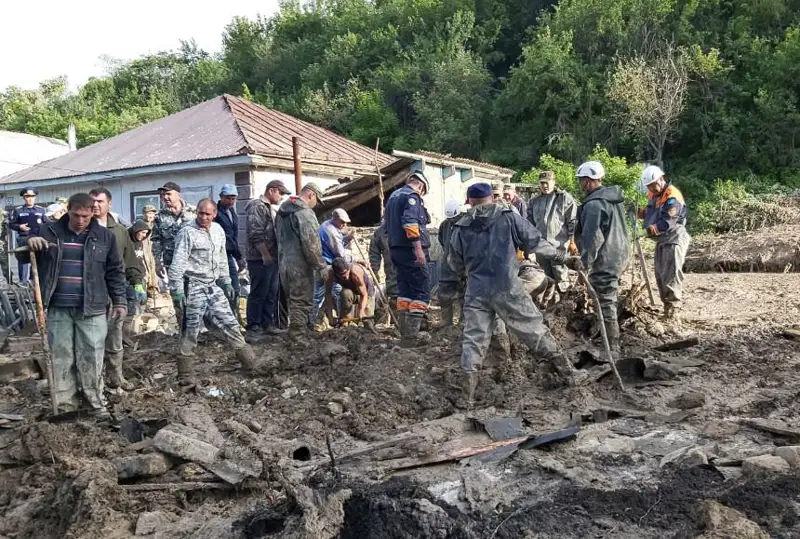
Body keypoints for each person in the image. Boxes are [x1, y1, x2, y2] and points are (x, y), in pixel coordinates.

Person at [448, 183, 587, 407]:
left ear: (470, 202)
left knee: (473, 341)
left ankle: (467, 396)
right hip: (508, 287)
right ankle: (570, 375)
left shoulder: (460, 227)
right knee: (534, 330)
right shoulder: (509, 218)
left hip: (476, 291)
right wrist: (565, 259)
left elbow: (454, 264)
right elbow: (537, 242)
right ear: (491, 199)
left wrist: (472, 271)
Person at [21, 193, 127, 419]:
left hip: (92, 308)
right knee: (61, 357)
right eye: (76, 215)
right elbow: (23, 254)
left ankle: (94, 404)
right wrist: (29, 242)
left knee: (92, 356)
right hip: (58, 306)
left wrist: (120, 301)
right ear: (68, 210)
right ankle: (65, 407)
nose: (80, 220)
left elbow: (115, 271)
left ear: (92, 213)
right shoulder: (49, 231)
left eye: (85, 216)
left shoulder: (105, 237)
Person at [168, 199, 257, 384]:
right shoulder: (187, 232)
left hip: (213, 285)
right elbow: (177, 263)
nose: (203, 217)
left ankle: (251, 363)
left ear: (214, 214)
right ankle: (185, 375)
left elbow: (222, 257)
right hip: (192, 286)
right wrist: (177, 291)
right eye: (200, 213)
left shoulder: (218, 231)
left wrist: (226, 281)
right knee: (190, 330)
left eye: (207, 214)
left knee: (231, 323)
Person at [89, 188, 144, 391]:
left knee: (114, 335)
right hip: (91, 293)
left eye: (100, 201)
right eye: (92, 201)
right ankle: (95, 380)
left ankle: (116, 376)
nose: (95, 205)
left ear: (109, 204)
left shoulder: (119, 230)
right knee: (92, 339)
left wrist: (136, 281)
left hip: (115, 292)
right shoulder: (82, 228)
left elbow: (129, 258)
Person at [574, 161, 630, 356]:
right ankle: (607, 334)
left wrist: (585, 262)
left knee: (605, 298)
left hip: (607, 256)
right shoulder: (612, 199)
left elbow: (592, 237)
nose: (580, 185)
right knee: (609, 296)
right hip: (620, 252)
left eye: (581, 180)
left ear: (588, 181)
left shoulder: (594, 205)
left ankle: (612, 346)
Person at [276, 183, 329, 338]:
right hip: (300, 264)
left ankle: (300, 330)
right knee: (301, 300)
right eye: (317, 201)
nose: (316, 205)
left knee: (292, 299)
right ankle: (298, 335)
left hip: (284, 262)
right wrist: (321, 265)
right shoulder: (305, 213)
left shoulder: (282, 210)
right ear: (311, 195)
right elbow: (311, 243)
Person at [639, 165, 691, 324]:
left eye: (653, 185)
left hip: (674, 237)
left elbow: (668, 220)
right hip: (662, 240)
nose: (652, 188)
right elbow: (652, 213)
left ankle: (673, 311)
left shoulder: (672, 196)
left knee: (671, 274)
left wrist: (654, 228)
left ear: (661, 179)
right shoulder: (653, 195)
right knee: (660, 275)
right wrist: (641, 213)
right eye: (649, 186)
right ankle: (666, 308)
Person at [385, 171, 431, 347]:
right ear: (421, 186)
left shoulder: (393, 198)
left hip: (396, 250)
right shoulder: (412, 197)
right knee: (421, 291)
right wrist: (418, 249)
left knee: (405, 292)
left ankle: (405, 337)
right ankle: (411, 339)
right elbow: (410, 222)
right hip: (411, 251)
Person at [245, 180, 290, 340]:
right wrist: (264, 254)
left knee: (271, 292)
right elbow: (255, 233)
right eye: (281, 193)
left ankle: (267, 323)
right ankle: (254, 326)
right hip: (259, 258)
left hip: (271, 258)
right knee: (259, 292)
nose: (282, 197)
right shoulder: (257, 206)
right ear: (271, 191)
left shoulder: (268, 208)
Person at [527, 171, 579, 292]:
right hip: (541, 248)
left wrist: (572, 241)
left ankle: (565, 304)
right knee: (545, 278)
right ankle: (548, 306)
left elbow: (573, 221)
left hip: (559, 247)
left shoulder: (564, 198)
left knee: (561, 277)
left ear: (554, 183)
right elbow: (529, 225)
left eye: (547, 183)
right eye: (542, 183)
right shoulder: (534, 201)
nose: (545, 186)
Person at [313, 208, 353, 325]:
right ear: (335, 219)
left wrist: (347, 238)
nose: (344, 225)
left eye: (346, 222)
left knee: (322, 295)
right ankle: (319, 322)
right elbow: (340, 254)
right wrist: (355, 260)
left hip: (323, 264)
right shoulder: (331, 232)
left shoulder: (326, 225)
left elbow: (338, 244)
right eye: (342, 222)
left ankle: (321, 321)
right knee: (331, 293)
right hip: (328, 267)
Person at [152, 182, 196, 273]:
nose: (165, 197)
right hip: (171, 262)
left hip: (192, 261)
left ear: (178, 194)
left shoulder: (194, 212)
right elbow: (156, 240)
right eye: (163, 194)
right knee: (175, 287)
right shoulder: (159, 216)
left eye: (168, 194)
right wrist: (157, 263)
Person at [324, 257, 377, 333]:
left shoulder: (356, 272)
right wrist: (330, 316)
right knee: (345, 293)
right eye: (342, 274)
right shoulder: (330, 275)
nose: (346, 276)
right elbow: (328, 295)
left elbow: (364, 295)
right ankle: (346, 326)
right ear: (336, 273)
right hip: (350, 292)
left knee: (367, 322)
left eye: (346, 272)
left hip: (366, 293)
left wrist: (361, 311)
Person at [438, 200, 469, 327]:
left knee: (465, 296)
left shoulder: (466, 224)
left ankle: (463, 321)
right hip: (447, 266)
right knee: (444, 295)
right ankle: (446, 321)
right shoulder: (444, 225)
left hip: (463, 265)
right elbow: (441, 240)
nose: (452, 221)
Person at [9, 187, 46, 284]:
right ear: (24, 198)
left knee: (38, 261)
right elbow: (11, 224)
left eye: (32, 196)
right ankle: (23, 282)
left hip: (38, 239)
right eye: (27, 196)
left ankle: (33, 281)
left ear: (35, 197)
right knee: (23, 261)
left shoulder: (41, 210)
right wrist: (19, 226)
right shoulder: (18, 211)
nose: (29, 198)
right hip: (23, 239)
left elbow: (47, 224)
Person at [214, 184, 243, 296]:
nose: (231, 201)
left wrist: (238, 257)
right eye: (228, 198)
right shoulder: (215, 213)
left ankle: (234, 312)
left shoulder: (231, 212)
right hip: (218, 255)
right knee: (223, 287)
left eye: (233, 198)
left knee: (235, 287)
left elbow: (233, 237)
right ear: (221, 197)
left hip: (230, 255)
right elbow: (226, 237)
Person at [368, 219, 397, 324]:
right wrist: (375, 271)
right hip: (392, 270)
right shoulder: (380, 233)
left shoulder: (407, 226)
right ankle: (396, 322)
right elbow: (374, 254)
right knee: (395, 294)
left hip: (409, 268)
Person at [128, 219, 159, 311]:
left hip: (141, 276)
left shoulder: (140, 242)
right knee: (133, 304)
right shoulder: (128, 242)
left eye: (146, 233)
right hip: (131, 279)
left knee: (143, 301)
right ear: (136, 231)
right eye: (142, 232)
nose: (144, 235)